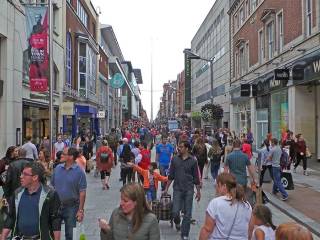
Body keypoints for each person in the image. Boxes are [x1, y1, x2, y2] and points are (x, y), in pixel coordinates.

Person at [1, 162, 61, 240]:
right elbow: (11, 217)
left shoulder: (50, 194)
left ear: (35, 177)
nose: (20, 176)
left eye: (25, 174)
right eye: (21, 173)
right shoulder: (17, 193)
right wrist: (3, 237)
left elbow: (55, 220)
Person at [164, 141, 201, 240]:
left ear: (187, 149)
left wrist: (198, 192)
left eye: (181, 147)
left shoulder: (193, 161)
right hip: (177, 189)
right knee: (175, 211)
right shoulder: (175, 159)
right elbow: (171, 175)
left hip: (189, 189)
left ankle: (184, 234)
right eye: (179, 146)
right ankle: (176, 221)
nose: (179, 148)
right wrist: (166, 188)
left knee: (187, 214)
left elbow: (196, 178)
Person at [199, 173, 252, 240]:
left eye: (217, 186)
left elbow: (207, 229)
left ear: (224, 186)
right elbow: (250, 230)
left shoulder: (216, 203)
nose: (216, 189)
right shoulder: (246, 204)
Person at [51, 147, 87, 240]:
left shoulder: (79, 172)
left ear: (70, 157)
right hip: (55, 206)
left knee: (70, 235)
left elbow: (82, 192)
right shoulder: (57, 168)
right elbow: (51, 186)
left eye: (63, 154)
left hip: (71, 207)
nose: (61, 155)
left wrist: (80, 211)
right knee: (52, 234)